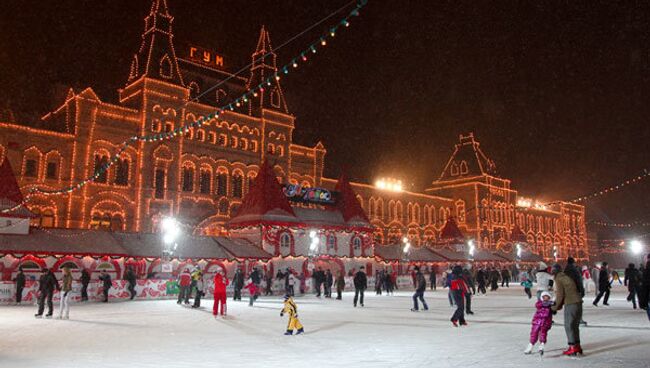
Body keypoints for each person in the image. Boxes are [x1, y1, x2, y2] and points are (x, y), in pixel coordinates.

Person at [551, 263, 584, 356]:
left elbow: (560, 295)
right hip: (578, 302)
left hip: (571, 303)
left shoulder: (558, 279)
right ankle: (577, 345)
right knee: (575, 326)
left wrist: (554, 308)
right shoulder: (566, 276)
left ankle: (572, 347)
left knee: (568, 325)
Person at [524, 291, 554, 355]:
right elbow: (538, 305)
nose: (545, 298)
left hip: (545, 323)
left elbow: (554, 310)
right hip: (537, 322)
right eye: (544, 297)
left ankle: (542, 345)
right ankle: (530, 345)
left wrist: (552, 305)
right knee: (534, 333)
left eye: (547, 297)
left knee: (543, 334)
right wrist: (548, 303)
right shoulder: (540, 303)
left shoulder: (550, 305)